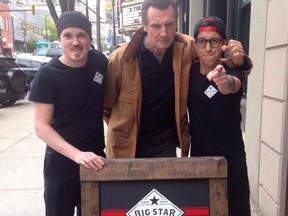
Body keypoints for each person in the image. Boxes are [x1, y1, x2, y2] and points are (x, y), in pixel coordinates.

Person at [104, 0, 252, 159]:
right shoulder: (122, 58)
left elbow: (212, 62)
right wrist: (125, 126)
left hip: (164, 143)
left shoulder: (187, 47)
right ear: (144, 26)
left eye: (169, 24)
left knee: (167, 184)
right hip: (126, 145)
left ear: (176, 23)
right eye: (156, 26)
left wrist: (238, 60)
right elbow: (106, 107)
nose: (164, 32)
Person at [28, 11, 107, 216]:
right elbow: (41, 126)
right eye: (68, 35)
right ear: (60, 40)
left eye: (81, 35)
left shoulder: (100, 63)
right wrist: (77, 155)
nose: (75, 42)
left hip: (96, 162)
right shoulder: (48, 74)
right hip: (60, 165)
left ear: (90, 39)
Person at [188, 16, 251, 216]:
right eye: (202, 41)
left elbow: (233, 85)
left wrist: (224, 81)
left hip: (232, 162)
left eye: (214, 41)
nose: (208, 48)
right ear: (195, 44)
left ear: (223, 44)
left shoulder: (233, 70)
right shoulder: (187, 73)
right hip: (200, 161)